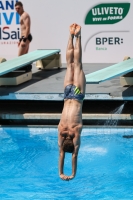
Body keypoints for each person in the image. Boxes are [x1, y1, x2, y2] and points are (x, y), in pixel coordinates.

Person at [58, 23, 86, 181]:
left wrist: (73, 173)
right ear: (63, 142)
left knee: (78, 65)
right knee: (70, 65)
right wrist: (61, 173)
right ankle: (70, 36)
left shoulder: (76, 131)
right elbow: (62, 153)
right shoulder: (61, 130)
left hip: (77, 95)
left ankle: (78, 36)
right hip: (68, 94)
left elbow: (74, 155)